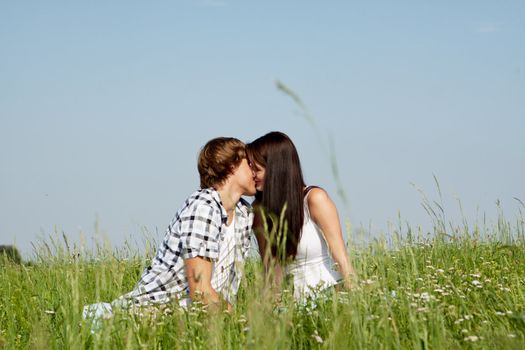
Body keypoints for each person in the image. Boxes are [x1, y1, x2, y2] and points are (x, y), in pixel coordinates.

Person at [84, 137, 256, 327]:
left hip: (199, 321)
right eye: (248, 163)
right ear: (231, 166)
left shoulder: (244, 213)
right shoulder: (204, 207)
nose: (254, 169)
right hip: (154, 315)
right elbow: (200, 291)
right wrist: (241, 323)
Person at [246, 131, 354, 300]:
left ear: (275, 167)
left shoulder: (314, 199)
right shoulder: (259, 211)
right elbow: (271, 272)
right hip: (293, 305)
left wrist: (359, 301)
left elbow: (341, 257)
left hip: (329, 296)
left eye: (256, 168)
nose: (251, 174)